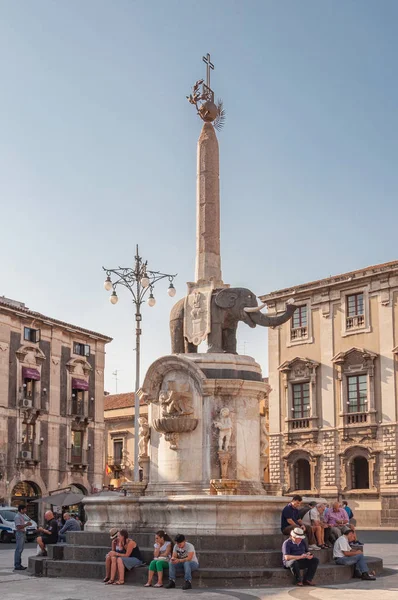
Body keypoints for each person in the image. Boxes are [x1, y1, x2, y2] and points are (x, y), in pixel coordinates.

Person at [14, 504, 32, 571]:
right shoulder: (17, 517)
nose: (25, 510)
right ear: (21, 510)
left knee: (20, 549)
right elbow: (18, 527)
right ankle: (17, 565)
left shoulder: (21, 516)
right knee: (18, 549)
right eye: (24, 509)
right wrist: (26, 524)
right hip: (19, 533)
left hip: (22, 533)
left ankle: (19, 564)